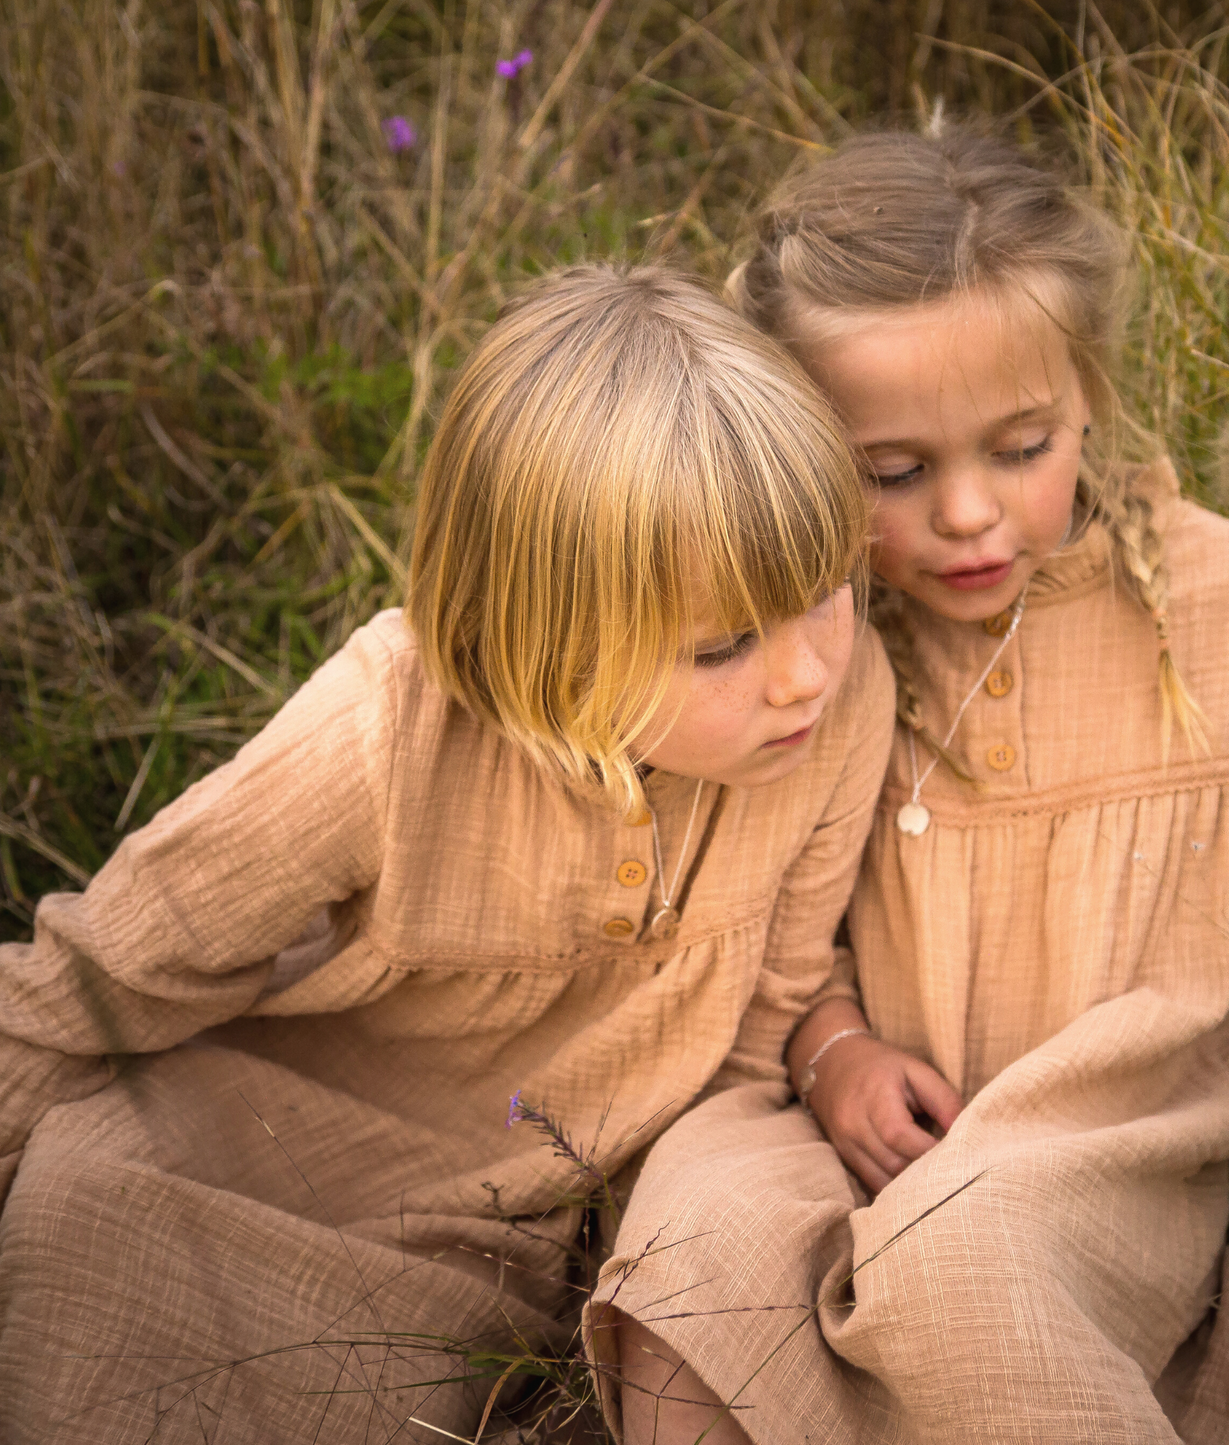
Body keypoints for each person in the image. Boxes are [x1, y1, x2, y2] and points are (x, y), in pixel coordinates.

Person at [596, 129, 1229, 1444]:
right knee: (691, 1255)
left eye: (1019, 447)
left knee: (958, 1254)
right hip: (831, 1117)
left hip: (1104, 1153)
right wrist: (832, 1056)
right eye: (892, 472)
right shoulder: (802, 638)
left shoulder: (1216, 598)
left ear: (1086, 393)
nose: (969, 515)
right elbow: (750, 925)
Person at [0, 265, 897, 1443]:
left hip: (531, 1219)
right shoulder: (385, 730)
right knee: (112, 1276)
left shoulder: (834, 713)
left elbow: (759, 1016)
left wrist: (644, 1246)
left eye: (826, 591)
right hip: (266, 1145)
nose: (803, 673)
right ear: (548, 630)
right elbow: (117, 960)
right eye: (724, 643)